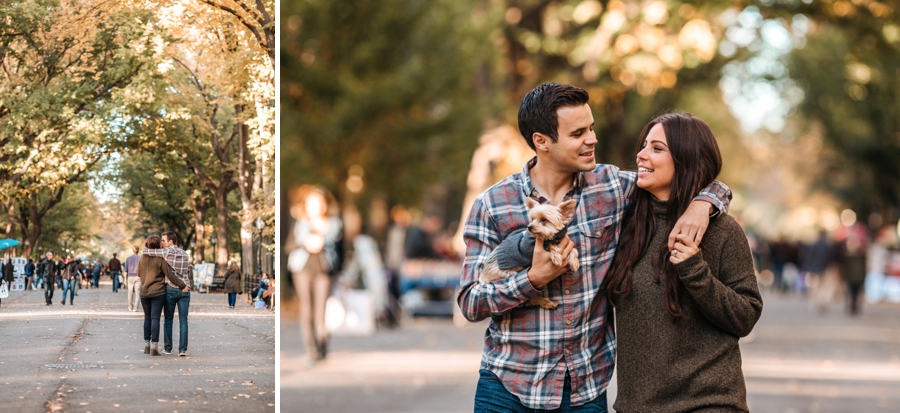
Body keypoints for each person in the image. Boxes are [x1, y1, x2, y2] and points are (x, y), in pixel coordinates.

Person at [458, 83, 732, 412]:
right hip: (507, 389)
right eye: (578, 133)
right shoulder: (493, 204)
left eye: (591, 128)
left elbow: (691, 173)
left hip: (584, 391)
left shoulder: (612, 188)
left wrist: (702, 204)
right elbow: (470, 301)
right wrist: (532, 279)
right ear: (541, 142)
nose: (592, 139)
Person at [599, 112, 763, 412]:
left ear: (686, 160)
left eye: (657, 148)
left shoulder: (723, 231)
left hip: (709, 403)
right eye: (644, 145)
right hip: (636, 407)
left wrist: (694, 269)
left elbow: (746, 316)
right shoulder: (625, 224)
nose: (641, 154)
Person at [285, 185, 343, 366]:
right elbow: (289, 247)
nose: (316, 207)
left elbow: (341, 249)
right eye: (312, 203)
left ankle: (323, 344)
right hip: (302, 268)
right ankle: (311, 351)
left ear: (325, 205)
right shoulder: (300, 223)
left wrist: (322, 240)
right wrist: (305, 242)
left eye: (319, 203)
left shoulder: (334, 224)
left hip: (324, 269)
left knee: (322, 310)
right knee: (307, 309)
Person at [142, 231, 192, 356]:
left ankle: (168, 348)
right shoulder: (185, 253)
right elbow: (187, 270)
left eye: (163, 240)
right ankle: (182, 350)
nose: (161, 243)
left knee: (168, 319)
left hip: (170, 288)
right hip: (185, 289)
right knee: (183, 320)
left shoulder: (165, 252)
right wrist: (185, 284)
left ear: (171, 242)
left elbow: (146, 251)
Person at [124, 246, 142, 312]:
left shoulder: (128, 259)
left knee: (130, 292)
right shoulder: (140, 258)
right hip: (138, 277)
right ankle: (135, 308)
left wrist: (125, 279)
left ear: (132, 250)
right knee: (138, 292)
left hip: (130, 277)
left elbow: (125, 270)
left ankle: (130, 307)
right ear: (138, 250)